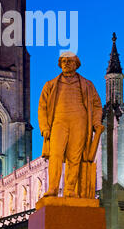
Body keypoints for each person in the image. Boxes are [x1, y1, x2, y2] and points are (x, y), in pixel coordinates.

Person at [38, 51, 104, 198]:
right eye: (63, 61)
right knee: (55, 155)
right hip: (58, 122)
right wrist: (45, 128)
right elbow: (42, 107)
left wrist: (96, 122)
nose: (66, 63)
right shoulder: (50, 85)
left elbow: (97, 105)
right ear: (60, 64)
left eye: (70, 61)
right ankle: (53, 189)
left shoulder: (87, 84)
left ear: (76, 64)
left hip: (79, 122)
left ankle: (69, 189)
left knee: (75, 157)